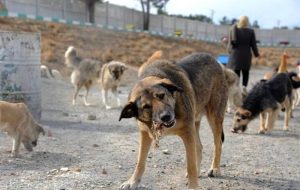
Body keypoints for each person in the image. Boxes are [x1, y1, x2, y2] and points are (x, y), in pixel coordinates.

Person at [227, 16, 260, 94]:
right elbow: (253, 45)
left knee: (236, 72)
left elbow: (230, 43)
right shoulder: (251, 31)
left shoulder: (234, 30)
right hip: (246, 55)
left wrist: (229, 51)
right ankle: (244, 87)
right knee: (246, 72)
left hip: (236, 55)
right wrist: (257, 54)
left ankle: (237, 89)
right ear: (247, 22)